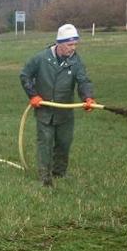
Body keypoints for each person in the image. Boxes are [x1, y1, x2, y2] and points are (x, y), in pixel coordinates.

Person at [19, 23, 97, 187]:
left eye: (75, 44)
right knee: (45, 143)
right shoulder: (41, 58)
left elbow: (83, 81)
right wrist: (33, 95)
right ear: (59, 43)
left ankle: (59, 173)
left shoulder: (76, 61)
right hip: (44, 111)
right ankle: (45, 177)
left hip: (64, 114)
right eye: (69, 44)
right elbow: (25, 75)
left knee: (64, 143)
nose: (73, 48)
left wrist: (88, 97)